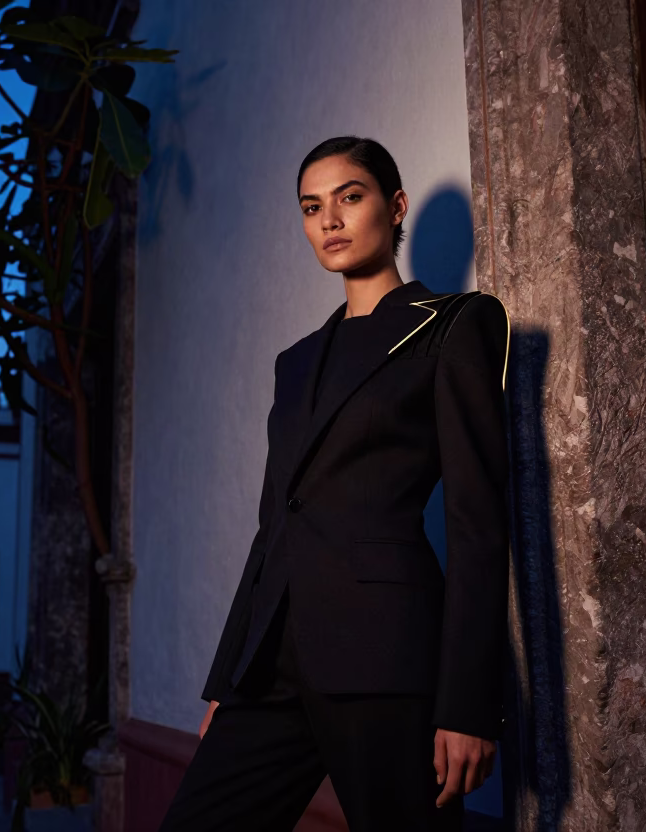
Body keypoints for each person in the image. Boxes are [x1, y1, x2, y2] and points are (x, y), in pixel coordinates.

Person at [158, 136, 512, 832]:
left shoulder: (453, 326)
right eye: (312, 206)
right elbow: (274, 529)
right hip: (275, 664)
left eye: (350, 197)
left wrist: (468, 704)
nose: (330, 220)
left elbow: (478, 523)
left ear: (395, 205)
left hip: (387, 660)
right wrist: (229, 679)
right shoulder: (296, 363)